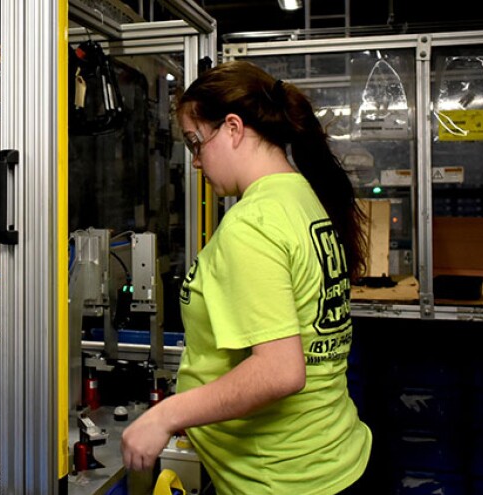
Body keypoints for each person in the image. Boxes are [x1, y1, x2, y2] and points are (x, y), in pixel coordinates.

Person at [120, 60, 372, 494]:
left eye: (196, 143)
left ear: (233, 128)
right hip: (327, 457)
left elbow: (280, 372)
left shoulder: (253, 222)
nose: (196, 162)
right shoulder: (300, 196)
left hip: (281, 477)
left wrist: (166, 415)